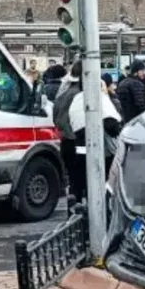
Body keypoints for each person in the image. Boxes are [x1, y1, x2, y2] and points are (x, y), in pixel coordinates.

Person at [69, 77, 123, 201]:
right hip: (101, 150)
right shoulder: (100, 98)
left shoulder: (76, 99)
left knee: (83, 181)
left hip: (80, 147)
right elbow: (111, 124)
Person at [52, 61, 82, 201]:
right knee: (84, 182)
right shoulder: (81, 95)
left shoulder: (63, 92)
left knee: (73, 182)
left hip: (66, 142)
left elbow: (56, 118)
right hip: (79, 142)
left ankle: (73, 215)